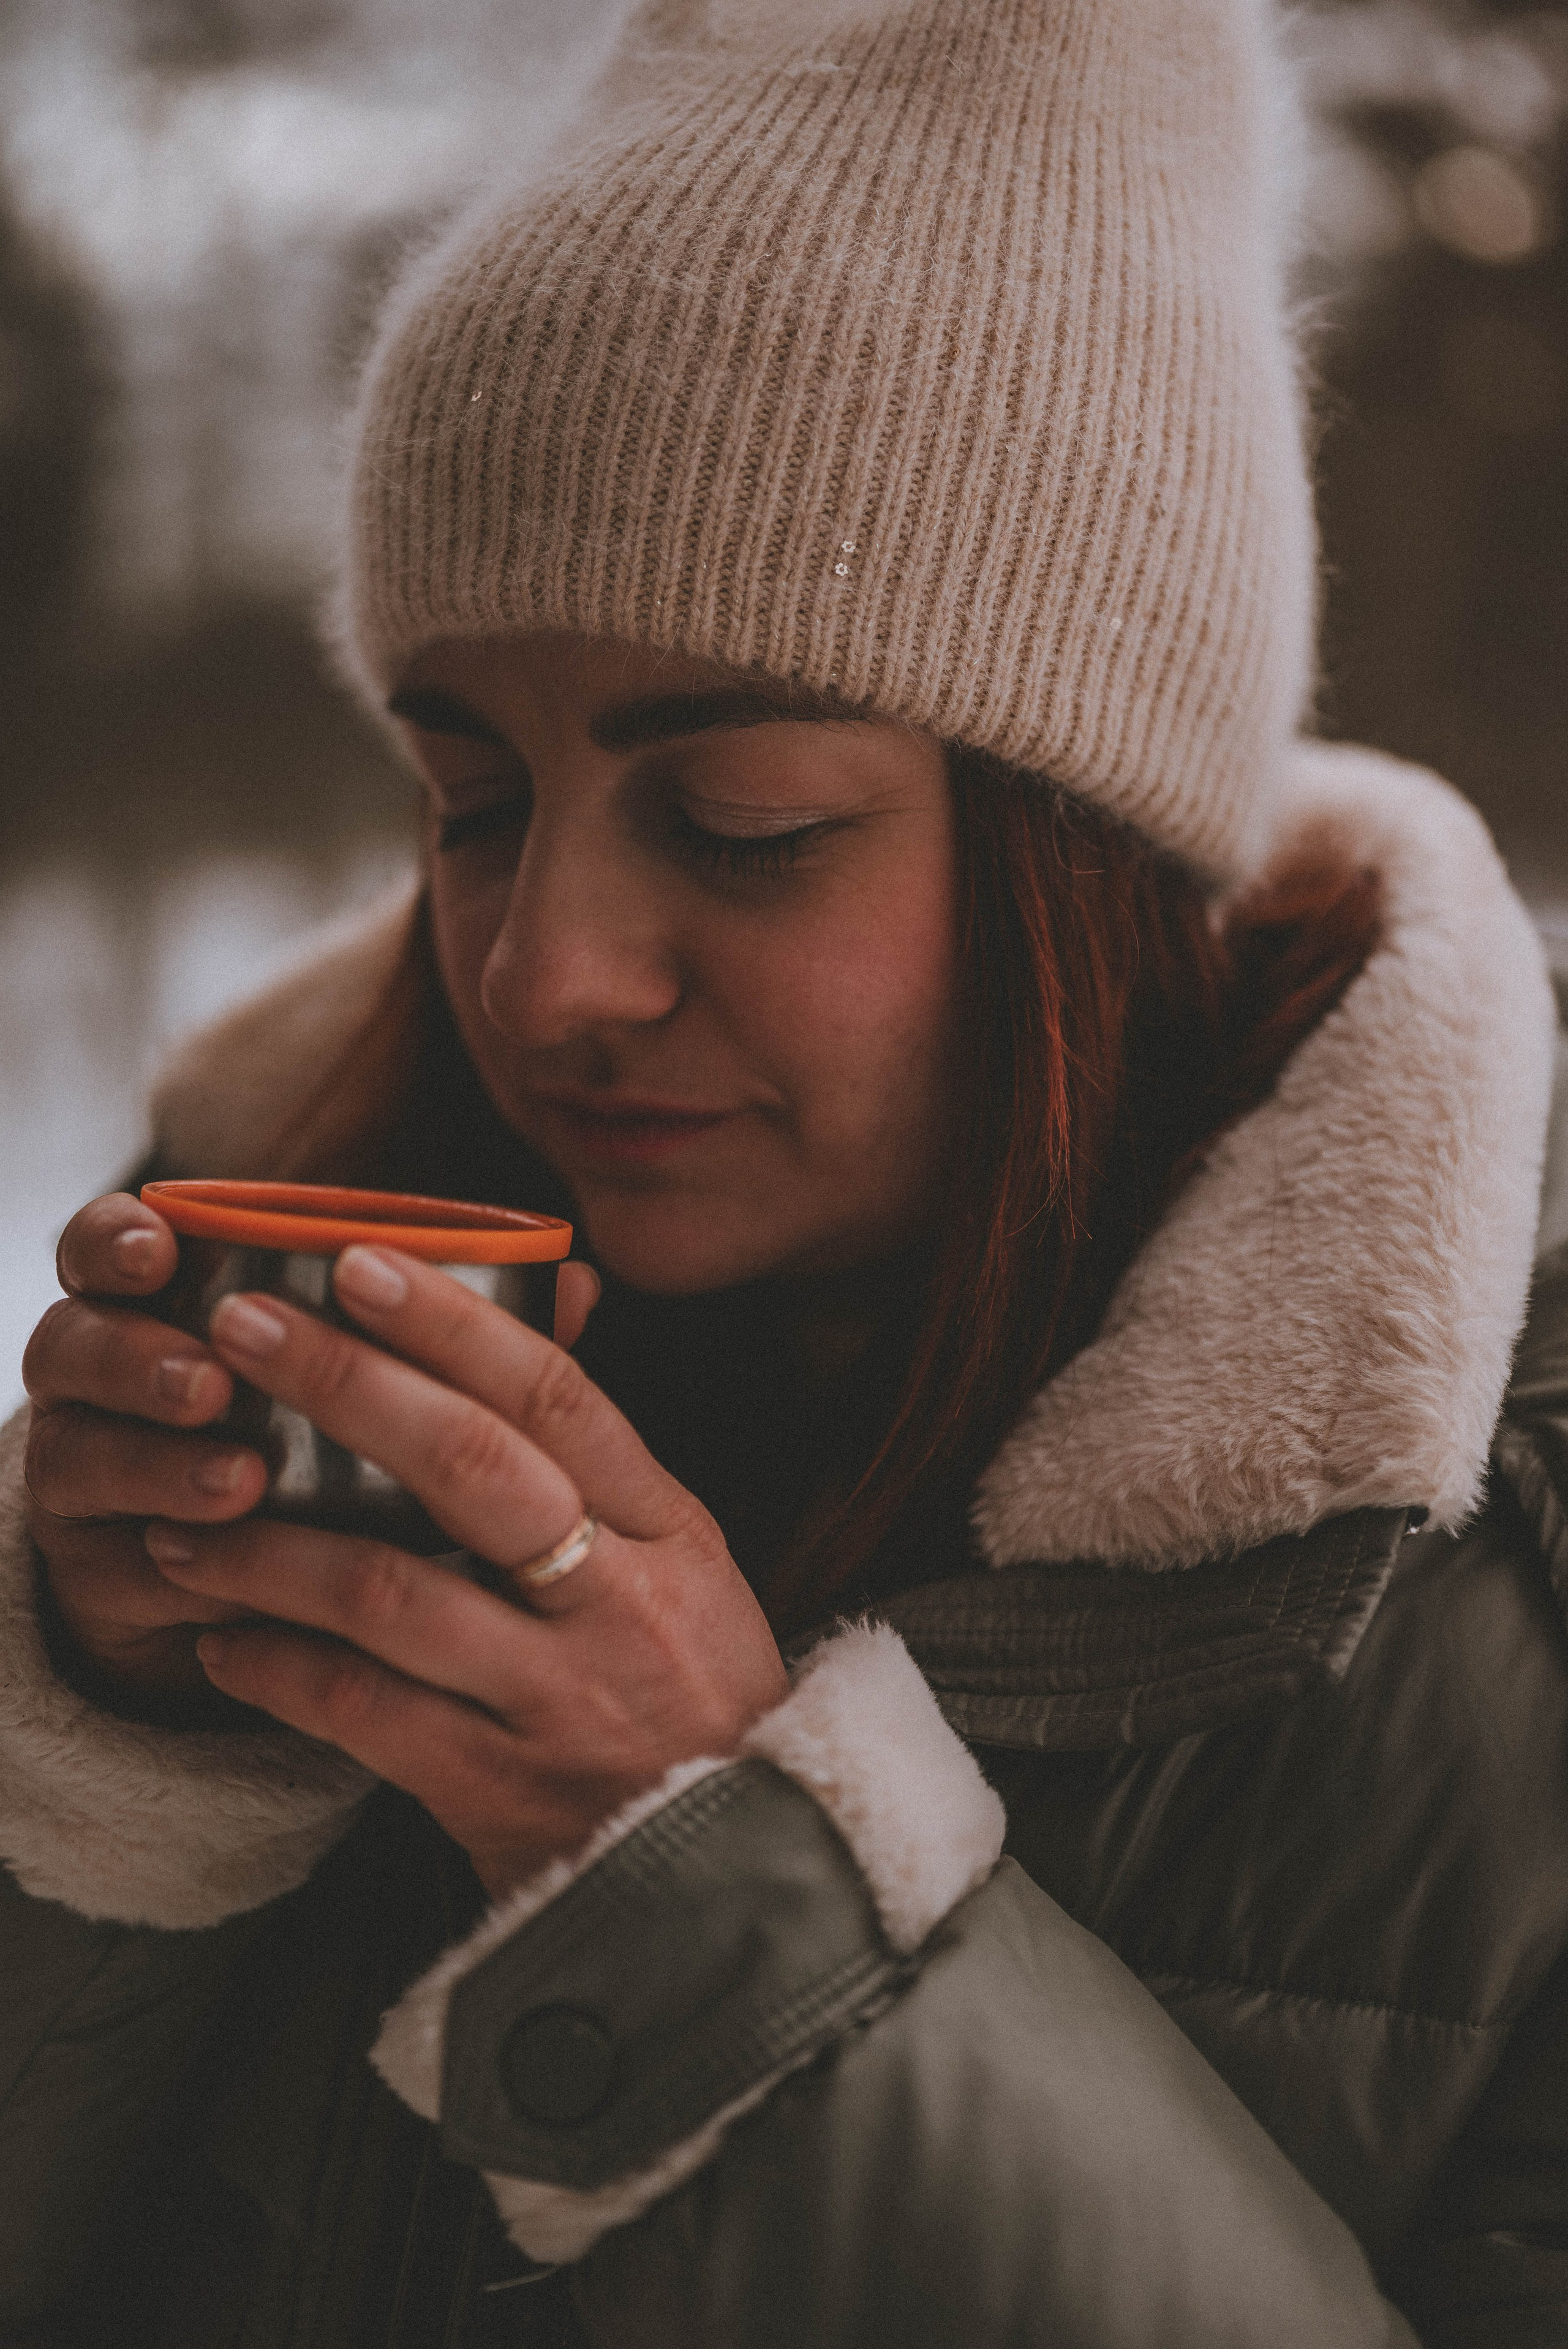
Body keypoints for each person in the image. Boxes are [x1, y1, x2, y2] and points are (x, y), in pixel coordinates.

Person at [2, 1, 1566, 2342]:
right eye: (473, 801)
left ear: (1086, 854)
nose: (545, 975)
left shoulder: (1504, 1575)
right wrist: (104, 1756)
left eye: (743, 821)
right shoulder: (300, 1248)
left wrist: (726, 1914)